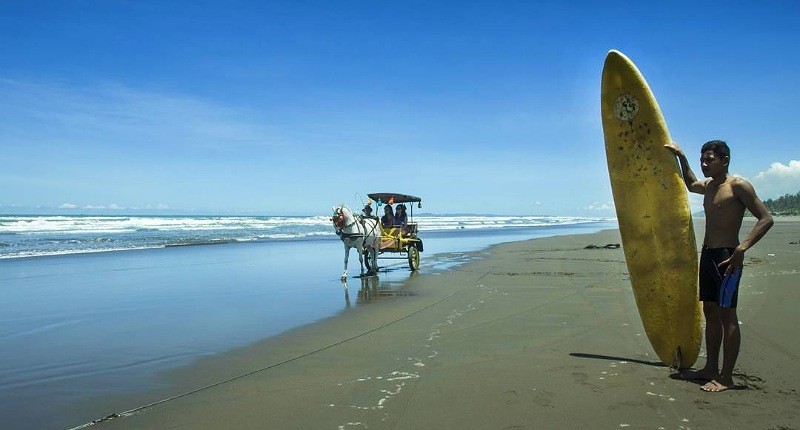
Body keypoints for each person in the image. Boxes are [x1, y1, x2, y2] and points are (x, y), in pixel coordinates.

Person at [665, 140, 773, 392]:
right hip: (708, 255)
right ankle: (711, 368)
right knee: (710, 313)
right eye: (702, 160)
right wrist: (681, 156)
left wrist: (742, 248)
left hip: (727, 257)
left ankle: (726, 377)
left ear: (724, 161)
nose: (704, 164)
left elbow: (766, 218)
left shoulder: (738, 186)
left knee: (727, 316)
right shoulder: (710, 186)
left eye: (709, 160)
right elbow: (691, 184)